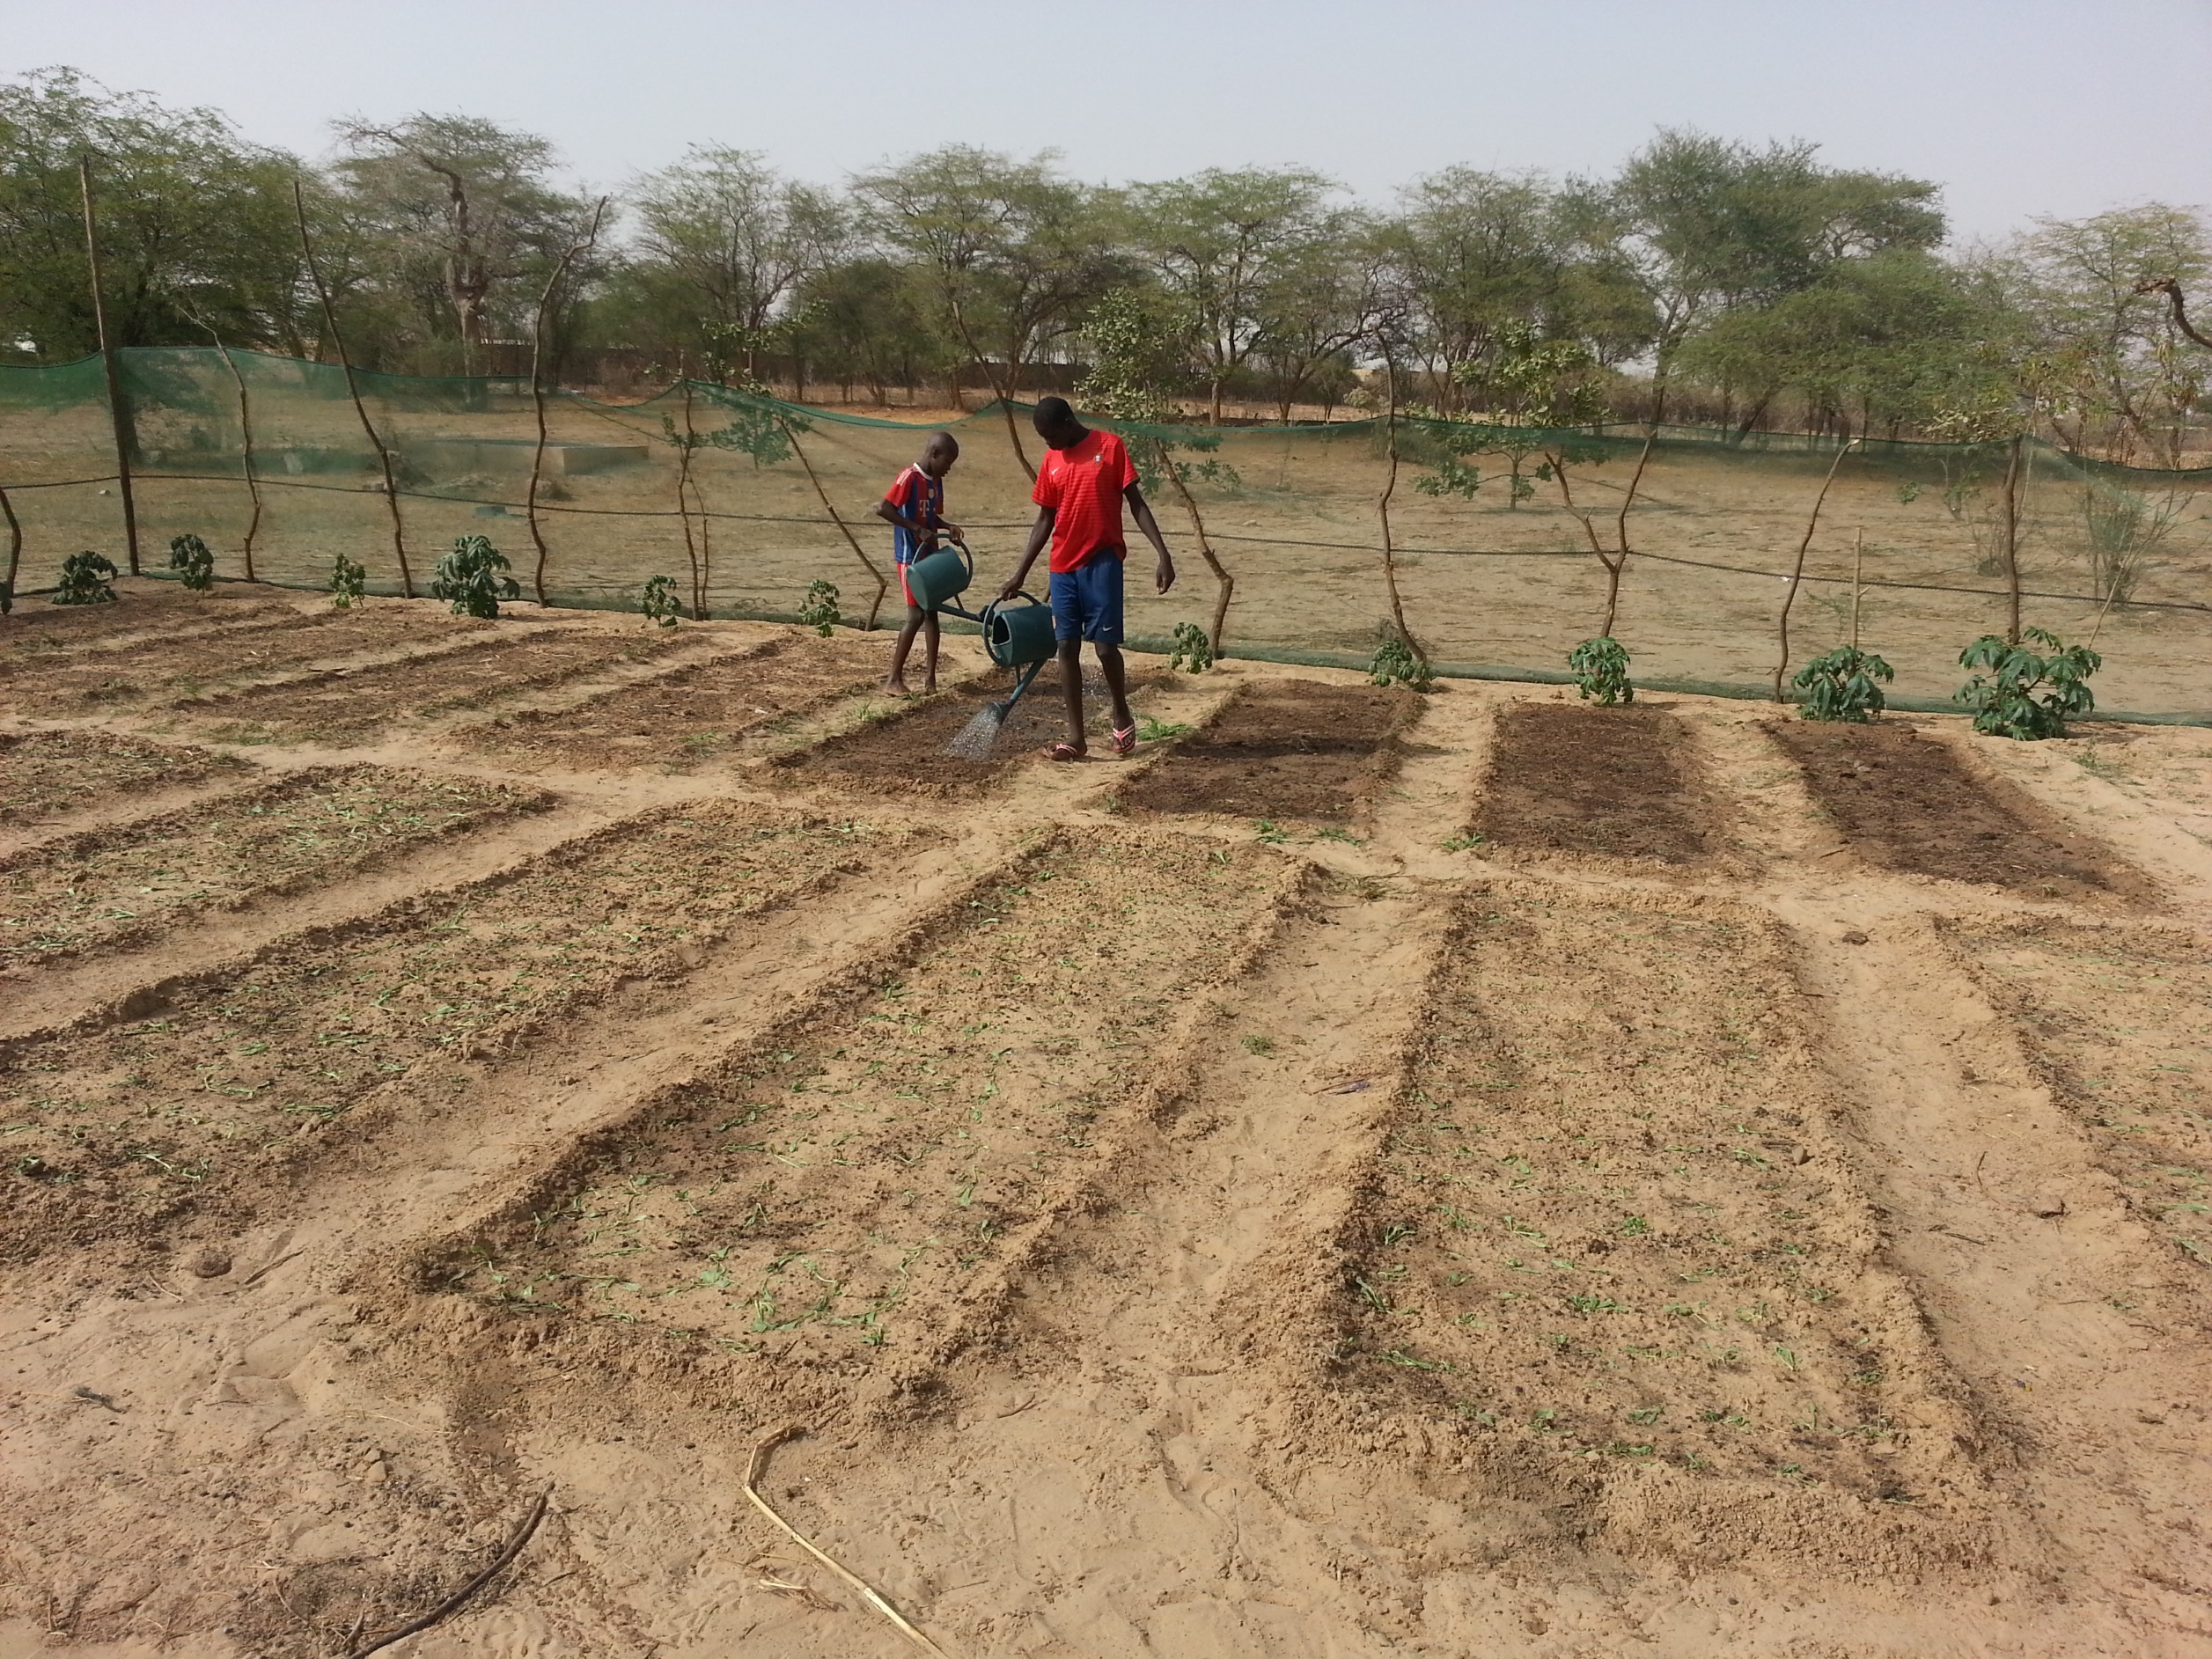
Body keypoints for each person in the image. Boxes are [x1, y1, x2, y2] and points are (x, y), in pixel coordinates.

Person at [996, 397, 1175, 760]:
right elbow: (1045, 520)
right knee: (1066, 647)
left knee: (1106, 648)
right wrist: (1020, 574)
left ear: (1067, 423)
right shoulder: (1051, 462)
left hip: (1103, 562)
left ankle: (1121, 710)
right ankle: (1077, 739)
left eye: (1050, 436)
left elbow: (1136, 502)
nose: (1047, 444)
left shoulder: (1110, 448)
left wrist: (1163, 553)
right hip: (1063, 568)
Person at [875, 431, 961, 694]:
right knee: (915, 615)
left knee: (932, 613)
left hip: (929, 556)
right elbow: (883, 508)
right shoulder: (909, 477)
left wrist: (948, 527)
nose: (948, 470)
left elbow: (931, 517)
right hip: (909, 558)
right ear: (934, 454)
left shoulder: (935, 482)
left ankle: (930, 680)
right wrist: (914, 528)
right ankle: (893, 679)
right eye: (947, 463)